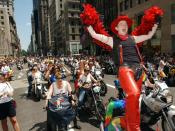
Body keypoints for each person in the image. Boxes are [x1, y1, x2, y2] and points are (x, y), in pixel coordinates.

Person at [82, 5, 162, 130]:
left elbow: (149, 35)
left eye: (125, 24)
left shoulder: (133, 38)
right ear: (116, 28)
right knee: (134, 94)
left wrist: (156, 23)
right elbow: (95, 35)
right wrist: (88, 23)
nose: (124, 26)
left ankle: (126, 121)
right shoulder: (112, 40)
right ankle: (134, 128)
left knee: (135, 102)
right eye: (121, 24)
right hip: (125, 69)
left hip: (139, 71)